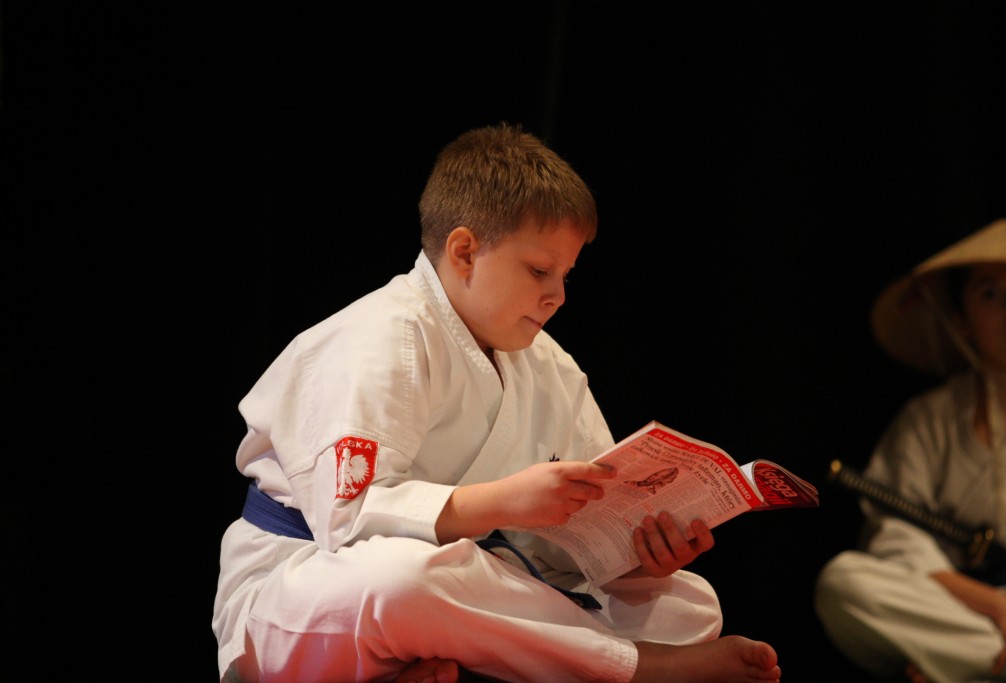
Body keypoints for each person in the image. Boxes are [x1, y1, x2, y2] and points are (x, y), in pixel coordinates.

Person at [212, 122, 783, 683]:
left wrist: (640, 555)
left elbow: (584, 538)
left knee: (687, 604)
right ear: (464, 252)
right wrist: (502, 502)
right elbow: (348, 522)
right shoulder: (377, 339)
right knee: (405, 581)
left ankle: (446, 662)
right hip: (304, 586)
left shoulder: (550, 366)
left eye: (566, 275)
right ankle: (633, 668)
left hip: (475, 582)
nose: (557, 296)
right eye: (539, 270)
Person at [814, 218, 1006, 683]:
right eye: (991, 293)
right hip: (960, 607)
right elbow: (896, 539)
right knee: (844, 582)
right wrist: (1000, 607)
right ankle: (992, 664)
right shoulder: (929, 418)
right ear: (960, 319)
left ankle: (962, 667)